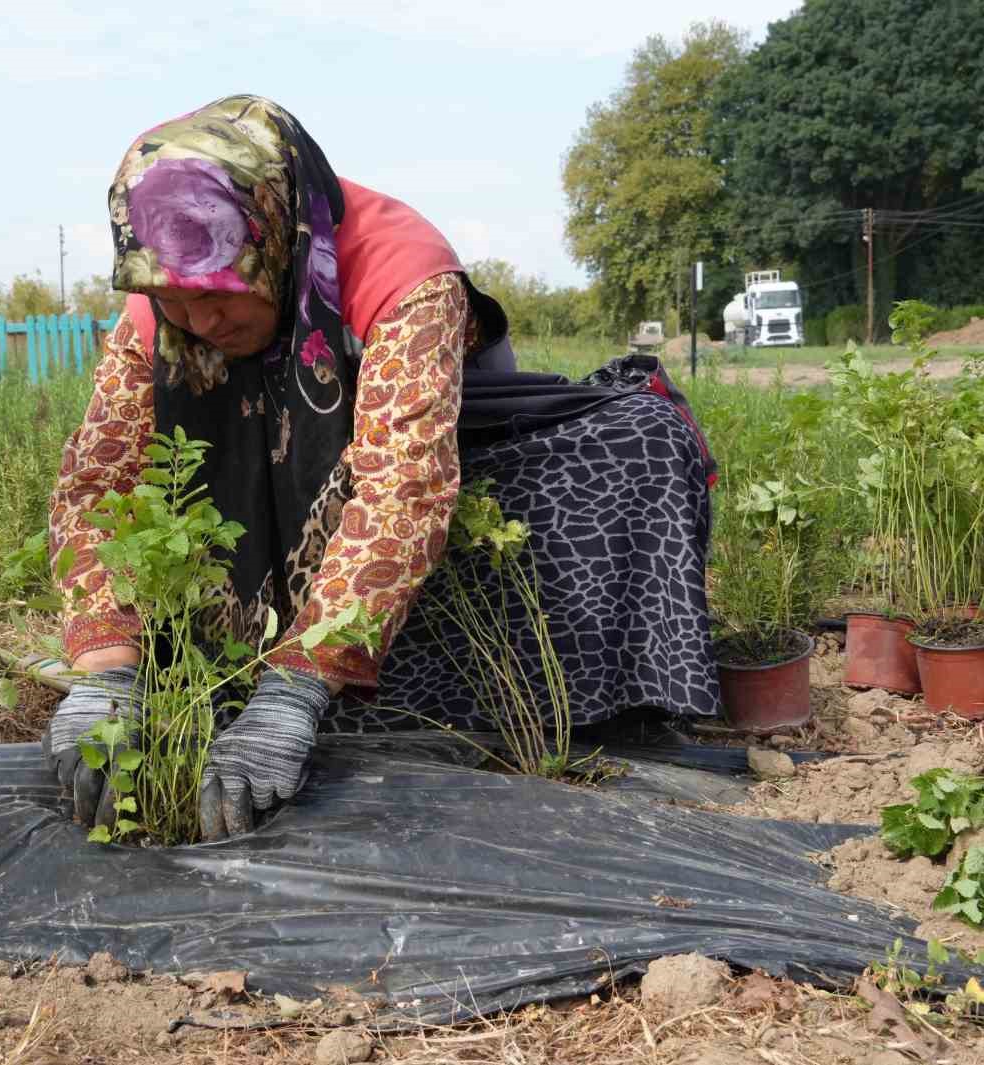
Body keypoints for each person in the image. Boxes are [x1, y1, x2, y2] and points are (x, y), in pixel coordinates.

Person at [46, 95, 719, 840]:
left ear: (270, 234)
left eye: (215, 294)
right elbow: (95, 485)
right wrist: (107, 669)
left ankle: (365, 687)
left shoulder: (400, 269)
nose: (200, 322)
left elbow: (404, 487)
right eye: (172, 300)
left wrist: (296, 687)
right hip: (283, 496)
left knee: (641, 439)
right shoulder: (160, 300)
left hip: (450, 459)